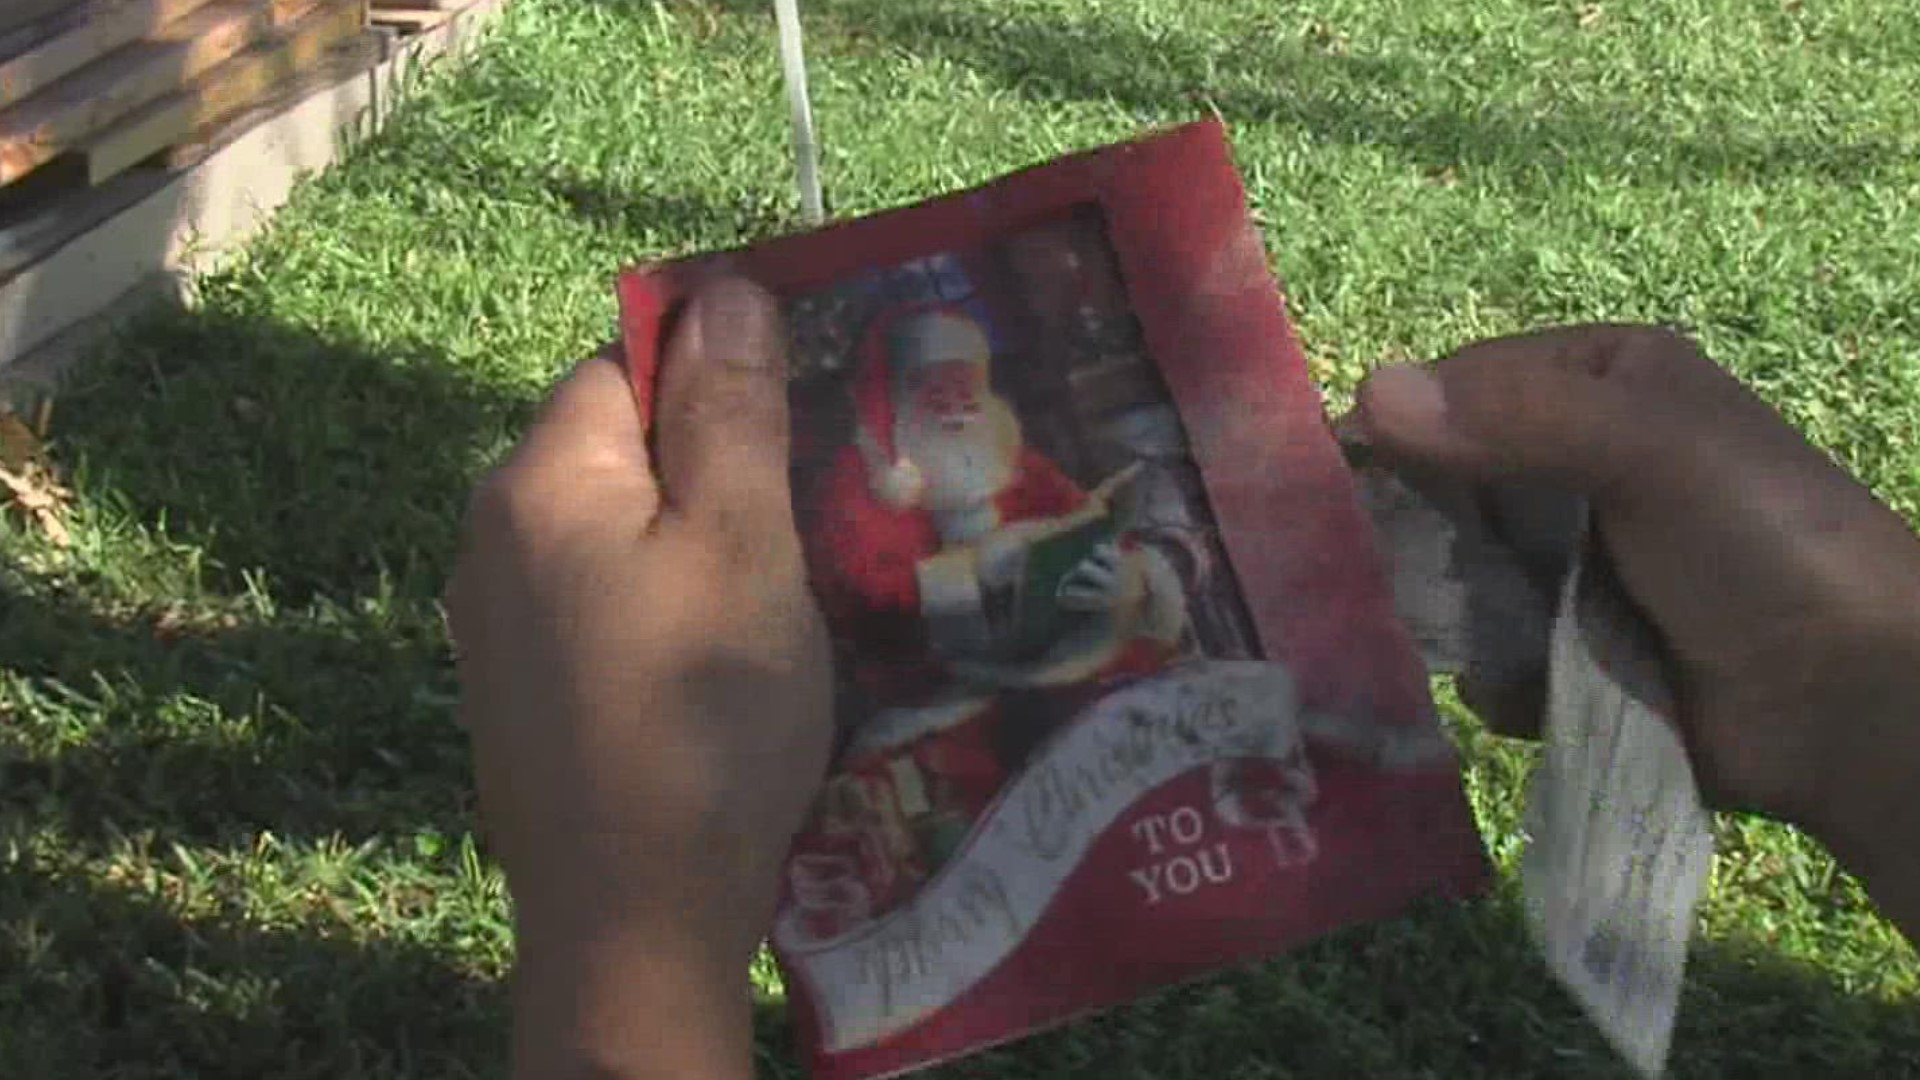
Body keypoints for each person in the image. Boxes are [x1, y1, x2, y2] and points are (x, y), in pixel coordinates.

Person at [446, 277, 1920, 1080]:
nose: (962, 406)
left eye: (974, 378)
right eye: (935, 385)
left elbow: (1061, 570)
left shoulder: (1011, 474)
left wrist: (625, 943)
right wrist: (1851, 691)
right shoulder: (874, 494)